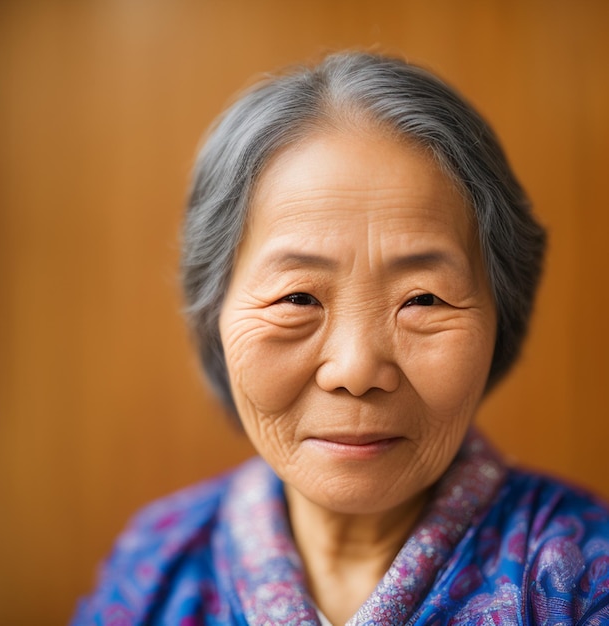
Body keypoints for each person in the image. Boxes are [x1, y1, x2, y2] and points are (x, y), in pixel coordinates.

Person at [72, 52, 609, 625]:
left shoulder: (581, 581)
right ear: (215, 315)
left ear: (501, 315)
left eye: (423, 299)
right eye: (297, 298)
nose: (355, 369)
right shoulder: (156, 564)